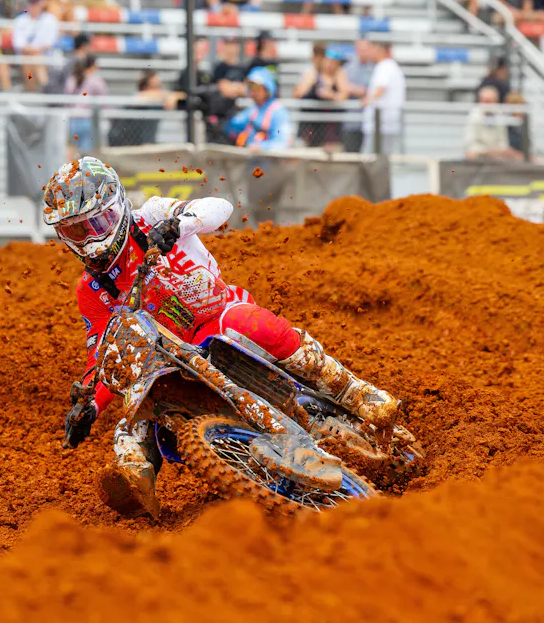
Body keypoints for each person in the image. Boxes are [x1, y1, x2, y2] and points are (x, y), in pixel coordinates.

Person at [47, 157, 400, 518]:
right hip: (167, 360)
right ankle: (136, 479)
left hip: (218, 318)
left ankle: (357, 393)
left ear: (118, 206)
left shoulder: (151, 217)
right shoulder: (92, 289)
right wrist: (90, 405)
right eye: (76, 232)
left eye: (96, 223)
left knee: (254, 324)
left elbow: (220, 207)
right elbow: (105, 352)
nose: (90, 239)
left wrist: (180, 224)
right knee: (133, 415)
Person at [225, 67, 292, 151]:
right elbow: (231, 126)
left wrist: (261, 147)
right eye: (251, 88)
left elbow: (283, 143)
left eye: (257, 88)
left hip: (270, 158)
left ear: (267, 90)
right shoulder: (253, 110)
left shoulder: (278, 112)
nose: (253, 92)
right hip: (251, 157)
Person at [295, 47, 348, 148]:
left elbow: (344, 95)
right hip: (311, 124)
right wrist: (312, 84)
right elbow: (298, 93)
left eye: (334, 62)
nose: (330, 65)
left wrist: (330, 95)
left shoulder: (339, 74)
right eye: (328, 61)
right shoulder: (312, 73)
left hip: (330, 126)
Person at [106, 71, 175, 147]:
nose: (160, 90)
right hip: (123, 144)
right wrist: (167, 95)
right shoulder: (136, 100)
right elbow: (142, 96)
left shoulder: (157, 103)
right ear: (145, 87)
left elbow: (175, 100)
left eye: (160, 86)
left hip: (144, 145)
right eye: (155, 86)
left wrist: (171, 96)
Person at [361, 42, 405, 155]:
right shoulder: (391, 66)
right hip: (387, 123)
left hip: (380, 124)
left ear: (379, 49)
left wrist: (367, 100)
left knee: (369, 159)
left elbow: (381, 87)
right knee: (383, 158)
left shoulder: (384, 66)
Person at [12, 0, 59, 92]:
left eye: (36, 2)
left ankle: (37, 90)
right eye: (31, 2)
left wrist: (34, 51)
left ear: (42, 3)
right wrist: (33, 51)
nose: (34, 5)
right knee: (31, 60)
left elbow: (49, 44)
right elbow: (18, 44)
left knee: (36, 59)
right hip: (27, 57)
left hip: (44, 57)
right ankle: (43, 88)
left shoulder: (50, 19)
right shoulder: (20, 20)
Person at [464, 86, 523, 161]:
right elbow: (470, 145)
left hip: (496, 157)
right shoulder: (473, 117)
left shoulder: (499, 115)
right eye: (484, 101)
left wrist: (497, 151)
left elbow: (503, 142)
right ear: (480, 101)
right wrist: (489, 151)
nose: (487, 104)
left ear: (496, 101)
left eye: (489, 101)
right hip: (479, 157)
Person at [207, 36, 248, 143]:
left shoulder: (243, 68)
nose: (231, 48)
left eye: (233, 44)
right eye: (228, 44)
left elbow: (246, 89)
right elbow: (223, 88)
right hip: (221, 118)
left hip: (238, 117)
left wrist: (232, 87)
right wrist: (236, 88)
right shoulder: (218, 68)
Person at [65, 54, 108, 155]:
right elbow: (104, 101)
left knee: (71, 153)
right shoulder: (96, 81)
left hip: (72, 121)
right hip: (87, 121)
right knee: (86, 155)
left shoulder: (71, 80)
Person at [343, 39, 374, 152]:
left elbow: (374, 90)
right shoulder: (348, 67)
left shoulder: (375, 67)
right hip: (352, 121)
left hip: (370, 122)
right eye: (361, 49)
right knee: (351, 154)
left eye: (366, 49)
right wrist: (361, 91)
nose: (364, 52)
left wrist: (362, 91)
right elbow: (344, 87)